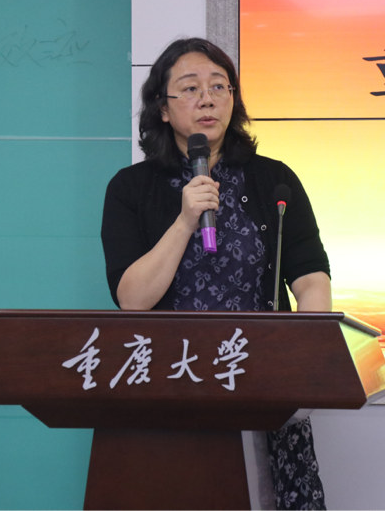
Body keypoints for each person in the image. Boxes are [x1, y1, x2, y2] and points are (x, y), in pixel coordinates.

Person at [101, 38, 331, 511]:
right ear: (163, 109)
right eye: (190, 88)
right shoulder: (130, 188)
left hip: (262, 381)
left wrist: (304, 358)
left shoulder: (273, 179)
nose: (207, 99)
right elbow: (132, 299)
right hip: (169, 381)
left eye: (218, 87)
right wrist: (186, 219)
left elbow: (310, 278)